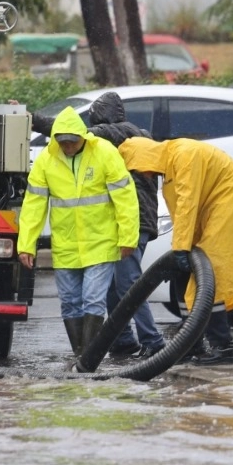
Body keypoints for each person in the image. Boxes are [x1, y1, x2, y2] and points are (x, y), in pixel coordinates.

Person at [118, 136, 233, 365]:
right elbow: (181, 210)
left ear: (144, 157)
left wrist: (180, 247)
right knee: (184, 275)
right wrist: (180, 249)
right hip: (211, 210)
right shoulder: (170, 166)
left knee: (210, 275)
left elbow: (187, 204)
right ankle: (191, 345)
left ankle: (224, 348)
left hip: (229, 205)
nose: (140, 175)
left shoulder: (184, 155)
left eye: (137, 169)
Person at [17, 107, 140, 357]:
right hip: (66, 246)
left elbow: (125, 198)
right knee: (71, 303)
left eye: (72, 141)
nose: (68, 146)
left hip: (101, 243)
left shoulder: (104, 153)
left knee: (92, 300)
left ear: (83, 137)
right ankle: (81, 355)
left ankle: (89, 358)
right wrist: (26, 244)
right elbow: (33, 205)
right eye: (62, 142)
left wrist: (128, 237)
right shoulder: (46, 160)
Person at [83, 92, 167, 359]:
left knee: (129, 285)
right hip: (129, 221)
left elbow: (75, 132)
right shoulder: (135, 134)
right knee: (112, 286)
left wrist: (34, 122)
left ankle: (152, 340)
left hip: (134, 222)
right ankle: (122, 340)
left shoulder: (121, 133)